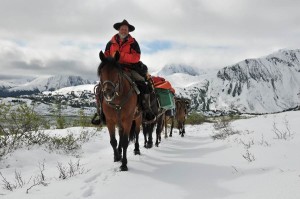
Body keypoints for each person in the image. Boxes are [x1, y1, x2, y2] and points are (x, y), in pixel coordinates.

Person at [92, 19, 156, 125]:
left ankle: (146, 110)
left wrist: (121, 56)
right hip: (114, 69)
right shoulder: (110, 43)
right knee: (100, 88)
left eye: (126, 29)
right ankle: (100, 112)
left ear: (128, 31)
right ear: (118, 30)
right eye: (122, 29)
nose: (124, 31)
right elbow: (107, 55)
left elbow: (136, 57)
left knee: (143, 84)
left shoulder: (134, 43)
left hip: (129, 69)